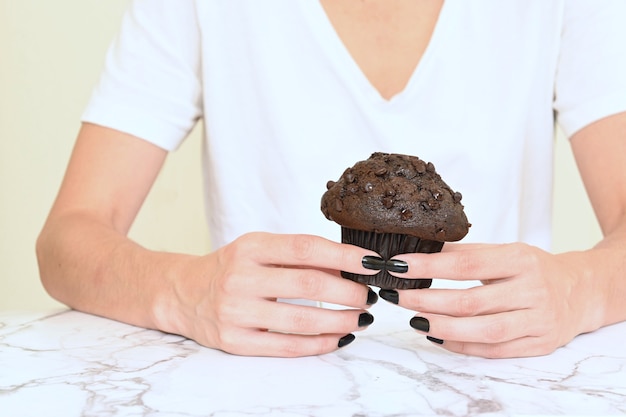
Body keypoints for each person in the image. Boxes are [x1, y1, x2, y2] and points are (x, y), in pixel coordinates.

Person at [36, 0, 626, 358]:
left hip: (501, 385)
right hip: (261, 384)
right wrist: (181, 290)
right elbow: (68, 238)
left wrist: (581, 287)